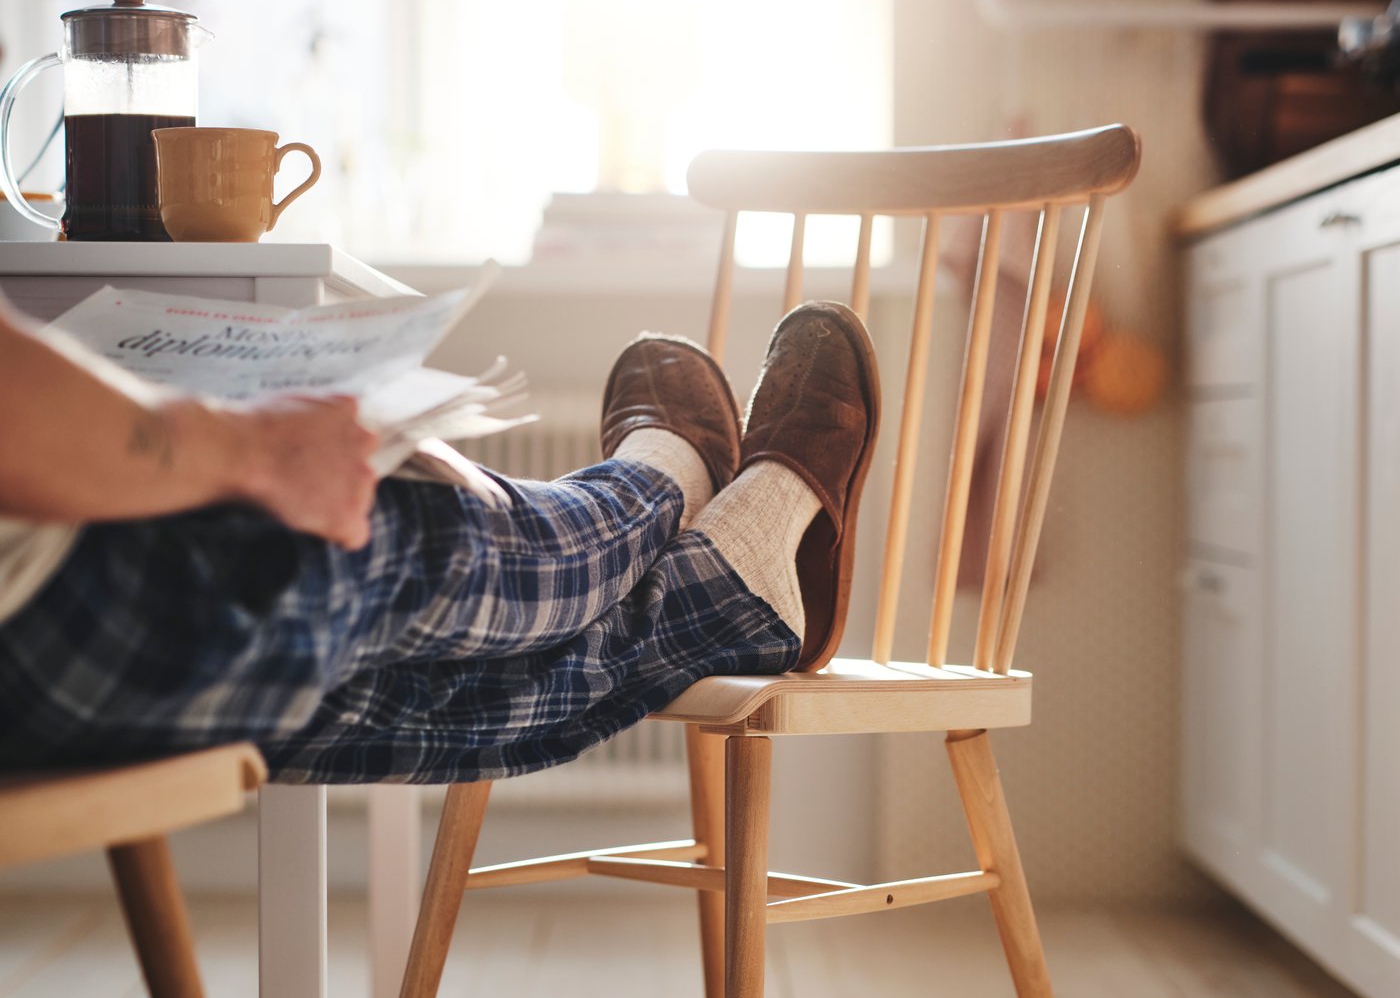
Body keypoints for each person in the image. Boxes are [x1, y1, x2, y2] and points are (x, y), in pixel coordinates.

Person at [0, 294, 880, 783]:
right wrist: (247, 445)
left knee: (392, 699)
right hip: (55, 614)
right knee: (393, 531)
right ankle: (664, 489)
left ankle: (729, 581)